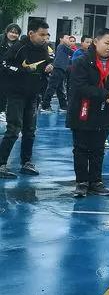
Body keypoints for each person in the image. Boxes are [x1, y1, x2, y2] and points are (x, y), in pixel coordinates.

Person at [66, 28, 109, 197]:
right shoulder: (82, 61)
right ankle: (82, 182)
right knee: (81, 148)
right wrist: (106, 94)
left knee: (99, 148)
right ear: (95, 41)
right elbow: (80, 87)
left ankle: (96, 181)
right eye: (107, 43)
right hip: (82, 111)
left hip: (105, 111)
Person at [0, 19, 53, 178]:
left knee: (30, 130)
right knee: (14, 129)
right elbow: (4, 64)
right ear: (31, 33)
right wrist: (21, 71)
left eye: (46, 35)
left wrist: (48, 67)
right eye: (41, 34)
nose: (45, 38)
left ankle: (26, 162)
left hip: (33, 94)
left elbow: (45, 63)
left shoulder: (44, 48)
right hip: (16, 94)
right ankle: (1, 163)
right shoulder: (19, 46)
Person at [40, 33, 75, 111]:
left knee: (60, 89)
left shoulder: (64, 48)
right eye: (67, 38)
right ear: (61, 39)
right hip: (58, 69)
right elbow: (73, 53)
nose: (68, 40)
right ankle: (45, 106)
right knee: (52, 88)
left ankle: (63, 106)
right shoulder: (62, 47)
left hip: (62, 70)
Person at [0, 23, 22, 122]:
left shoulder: (19, 45)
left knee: (7, 94)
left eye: (16, 33)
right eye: (11, 32)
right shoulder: (1, 41)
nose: (13, 35)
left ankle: (3, 113)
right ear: (7, 32)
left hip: (11, 74)